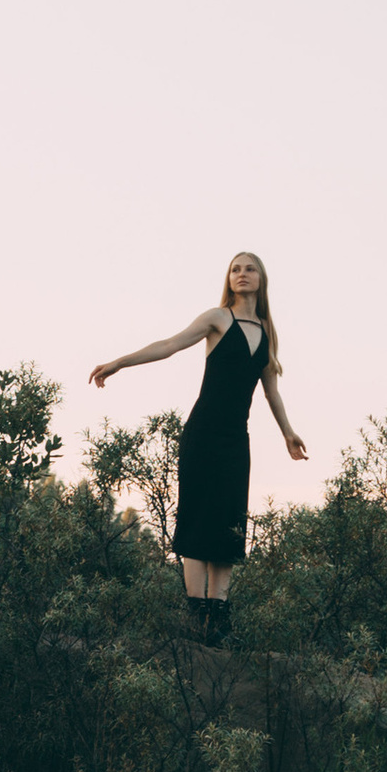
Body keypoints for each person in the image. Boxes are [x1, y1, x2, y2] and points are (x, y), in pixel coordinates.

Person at [90, 250, 307, 646]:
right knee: (197, 518)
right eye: (235, 269)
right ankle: (197, 617)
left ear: (261, 279)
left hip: (236, 439)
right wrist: (120, 362)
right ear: (229, 279)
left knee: (229, 523)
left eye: (250, 269)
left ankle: (219, 621)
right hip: (203, 433)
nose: (242, 274)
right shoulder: (217, 319)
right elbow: (170, 345)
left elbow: (271, 391)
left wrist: (288, 433)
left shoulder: (267, 331)